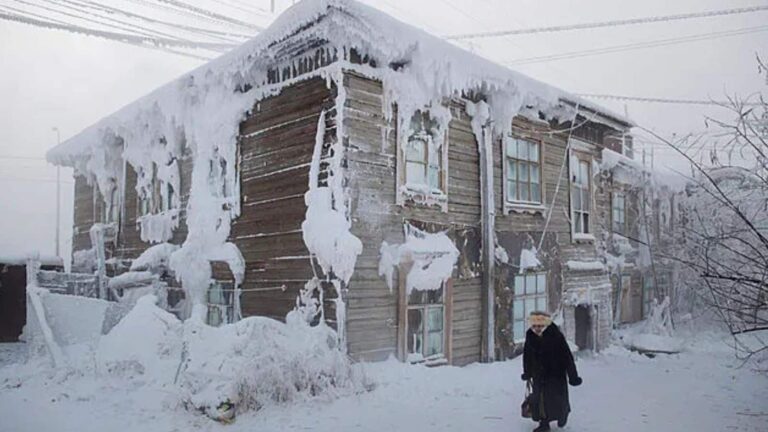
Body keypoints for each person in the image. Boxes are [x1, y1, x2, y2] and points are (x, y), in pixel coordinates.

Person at [521, 311, 582, 431]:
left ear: (546, 325)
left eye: (540, 326)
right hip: (538, 375)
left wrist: (573, 376)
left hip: (556, 374)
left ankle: (563, 415)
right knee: (540, 400)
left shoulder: (556, 335)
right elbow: (527, 356)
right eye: (534, 326)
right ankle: (544, 424)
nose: (537, 329)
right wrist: (527, 372)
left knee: (558, 399)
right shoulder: (530, 335)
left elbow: (567, 357)